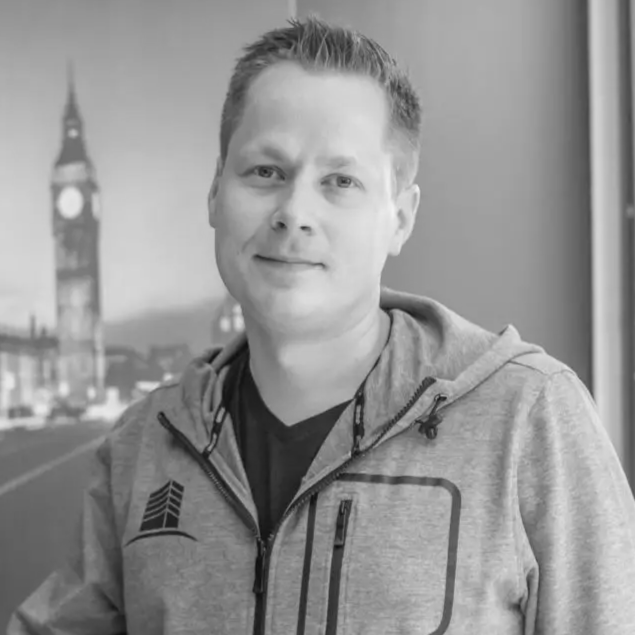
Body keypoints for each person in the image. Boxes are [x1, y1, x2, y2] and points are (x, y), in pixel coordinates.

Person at [8, 16, 635, 635]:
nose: (294, 212)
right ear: (214, 193)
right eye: (265, 172)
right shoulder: (144, 446)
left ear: (400, 217)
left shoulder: (530, 421)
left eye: (341, 181)